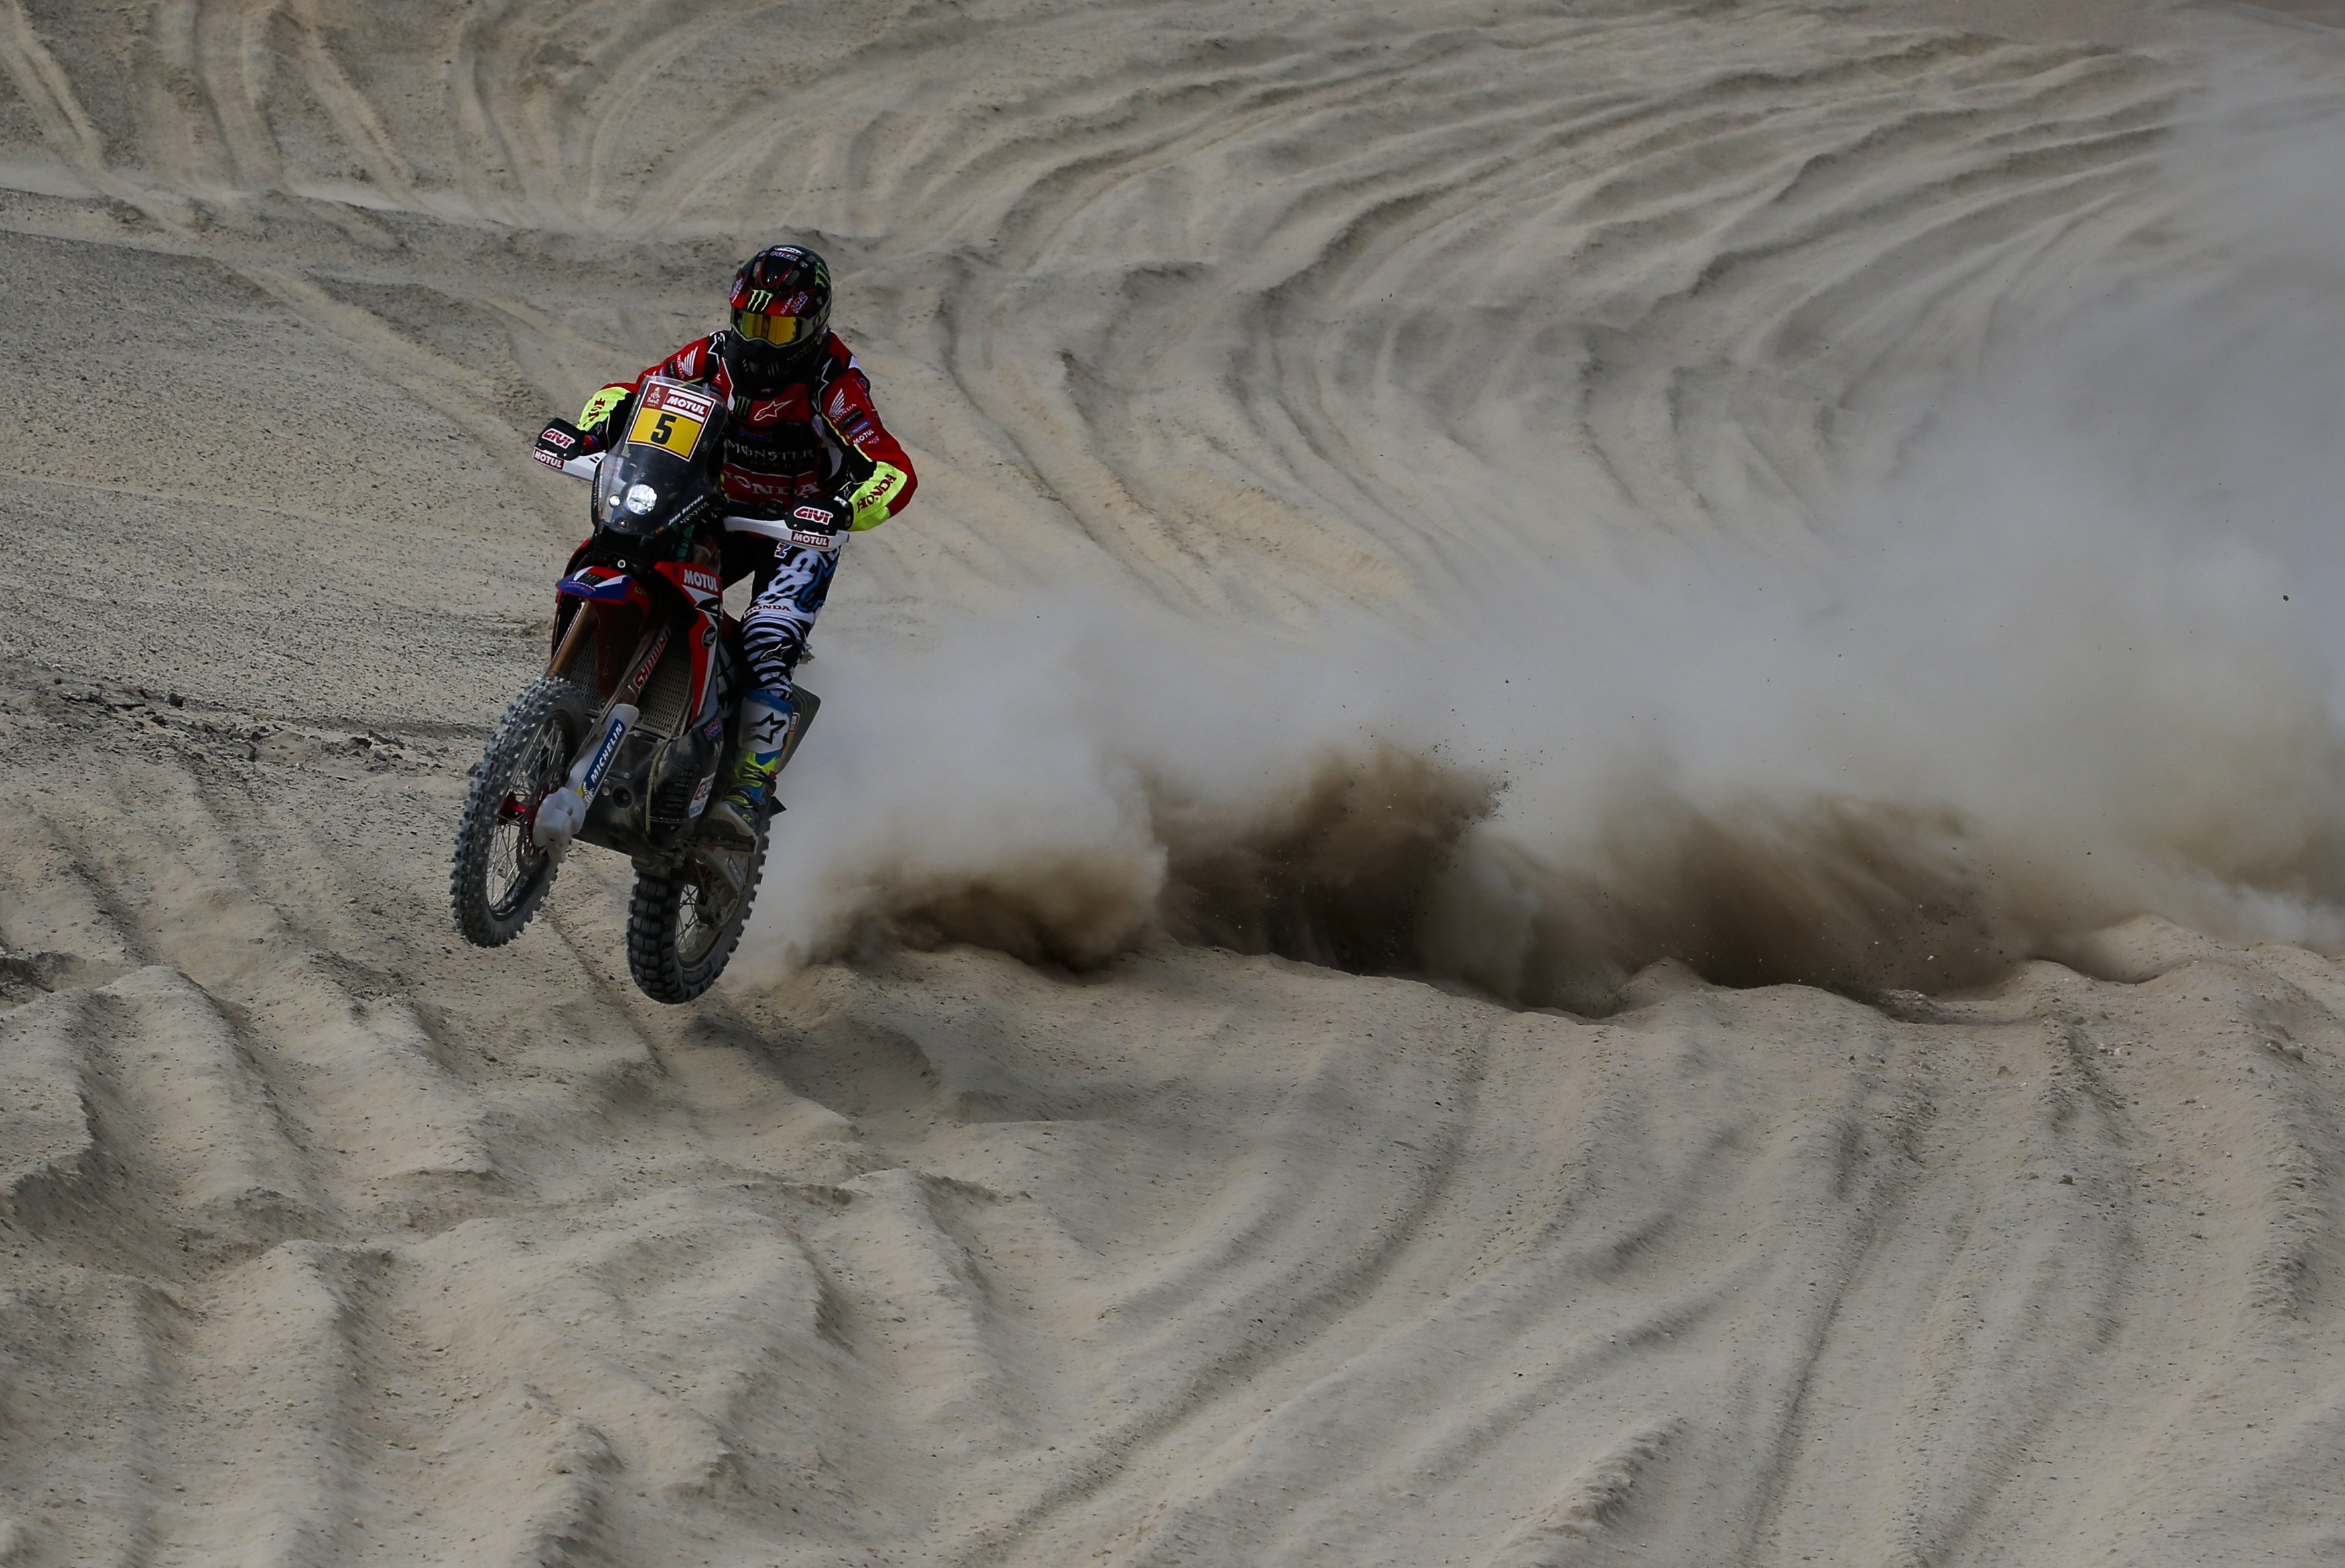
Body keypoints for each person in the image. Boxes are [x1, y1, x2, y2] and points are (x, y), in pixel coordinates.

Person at [535, 244, 916, 845]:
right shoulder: (709, 357)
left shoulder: (833, 384)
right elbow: (635, 394)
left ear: (813, 325)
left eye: (778, 327)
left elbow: (892, 470)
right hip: (711, 508)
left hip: (796, 530)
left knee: (770, 639)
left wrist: (843, 507)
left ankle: (746, 788)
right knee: (627, 553)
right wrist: (590, 430)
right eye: (750, 322)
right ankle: (568, 713)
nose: (760, 341)